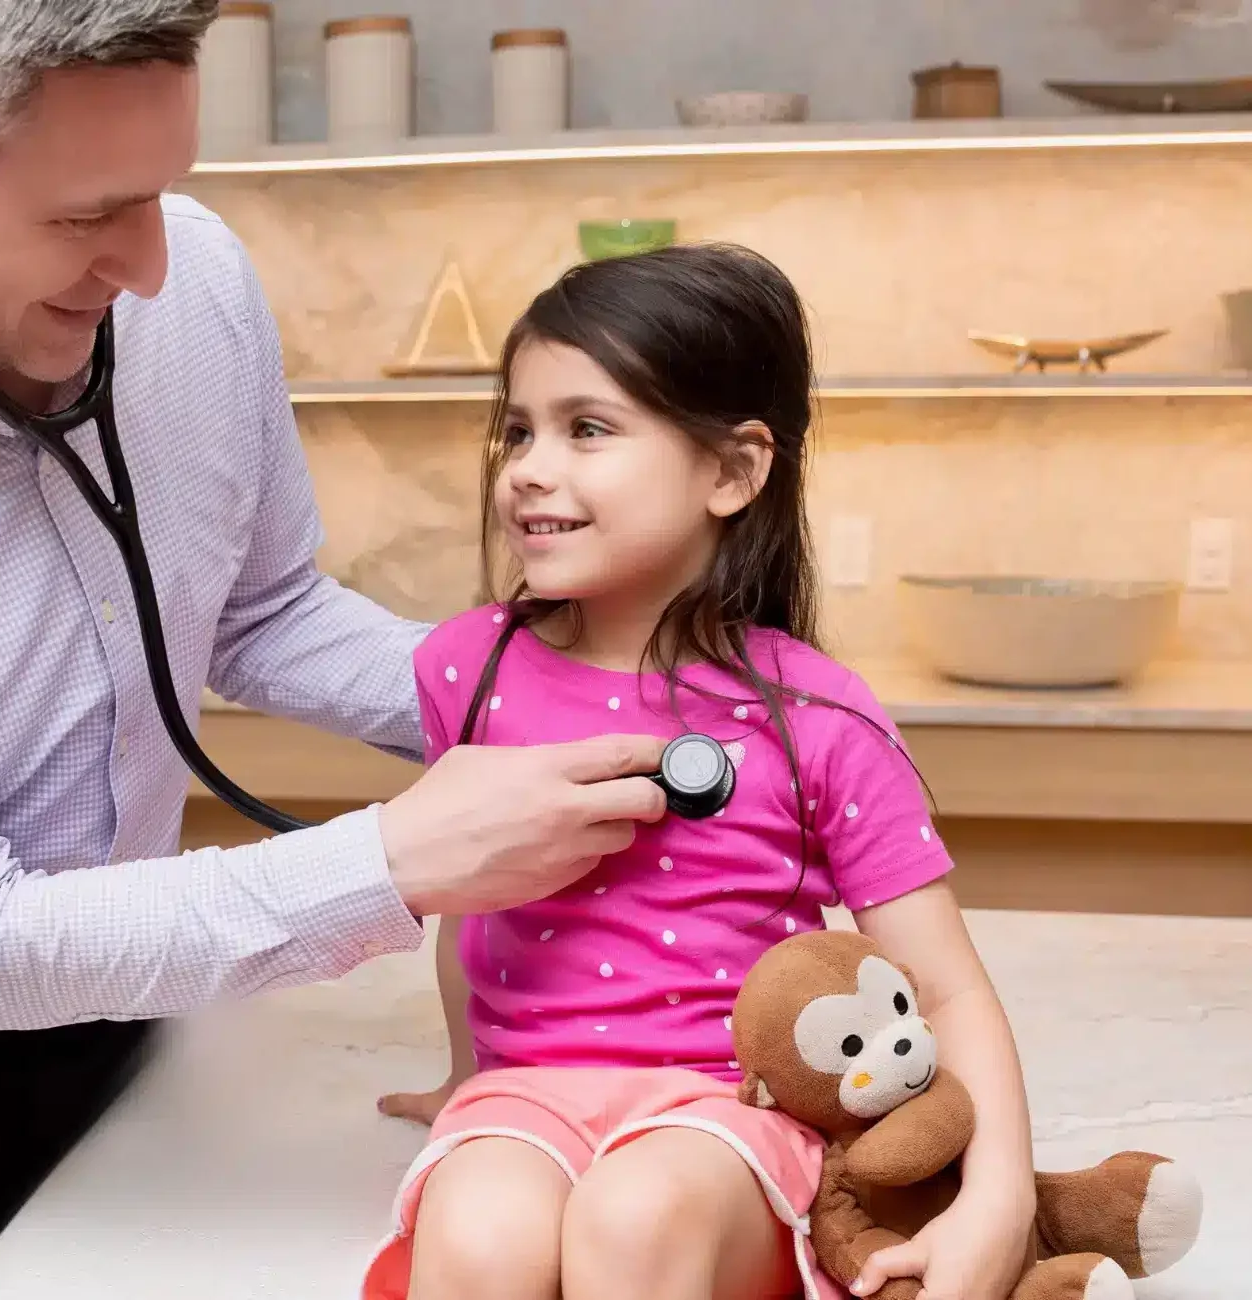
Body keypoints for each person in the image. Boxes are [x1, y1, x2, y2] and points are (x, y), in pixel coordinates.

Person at [0, 3, 673, 1298]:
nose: (150, 265)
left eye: (160, 192)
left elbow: (260, 610)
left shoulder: (195, 284)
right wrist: (396, 862)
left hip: (122, 1002)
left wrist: (575, 708)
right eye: (86, 215)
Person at [362, 245, 1038, 1300]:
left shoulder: (815, 714)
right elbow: (469, 899)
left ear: (731, 472)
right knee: (479, 1236)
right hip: (526, 1091)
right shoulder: (464, 666)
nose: (529, 466)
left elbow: (944, 985)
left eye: (586, 428)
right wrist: (467, 1074)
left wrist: (996, 1204)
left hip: (723, 1105)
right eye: (518, 429)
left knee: (632, 1224)